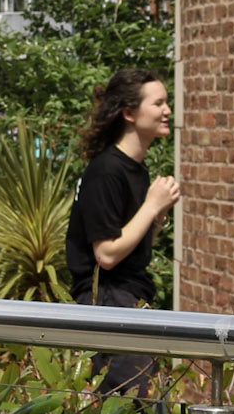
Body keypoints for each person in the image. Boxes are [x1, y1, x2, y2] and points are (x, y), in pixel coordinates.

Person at [64, 69, 180, 394]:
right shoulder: (106, 171)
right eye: (158, 103)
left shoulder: (135, 169)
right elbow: (107, 254)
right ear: (129, 113)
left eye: (166, 102)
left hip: (127, 296)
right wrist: (151, 206)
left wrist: (156, 218)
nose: (167, 110)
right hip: (106, 299)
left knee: (144, 408)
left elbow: (132, 248)